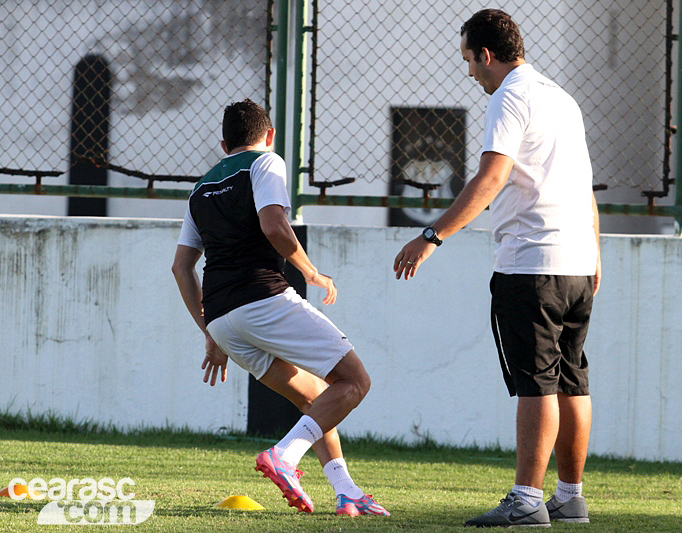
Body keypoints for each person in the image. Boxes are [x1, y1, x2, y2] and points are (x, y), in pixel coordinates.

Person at [394, 9, 600, 528]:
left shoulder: (510, 95)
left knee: (537, 382)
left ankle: (527, 499)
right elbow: (583, 186)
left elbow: (491, 177)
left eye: (469, 60)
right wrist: (595, 255)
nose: (470, 72)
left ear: (487, 54)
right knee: (572, 380)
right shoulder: (562, 98)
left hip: (532, 264)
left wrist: (432, 235)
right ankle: (570, 497)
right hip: (578, 262)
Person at [171, 99, 388, 517]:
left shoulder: (200, 189)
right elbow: (274, 224)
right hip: (262, 298)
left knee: (316, 398)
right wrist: (311, 271)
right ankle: (284, 456)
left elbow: (181, 267)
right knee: (355, 381)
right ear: (269, 135)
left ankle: (347, 492)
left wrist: (209, 333)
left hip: (222, 319)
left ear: (223, 145)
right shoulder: (266, 162)